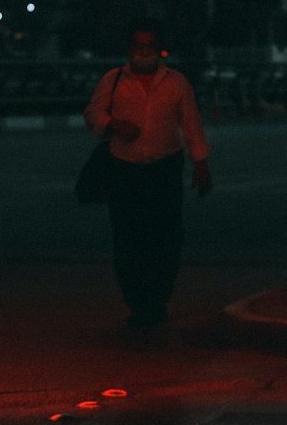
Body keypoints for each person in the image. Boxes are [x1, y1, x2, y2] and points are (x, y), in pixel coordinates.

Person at [84, 22, 212, 329]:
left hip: (164, 169)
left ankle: (157, 299)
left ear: (159, 50)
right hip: (124, 169)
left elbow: (191, 123)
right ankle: (138, 303)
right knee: (128, 240)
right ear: (130, 50)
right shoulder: (113, 80)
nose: (144, 52)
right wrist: (115, 124)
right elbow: (92, 114)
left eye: (150, 47)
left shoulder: (176, 83)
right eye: (139, 47)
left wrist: (201, 163)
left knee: (165, 238)